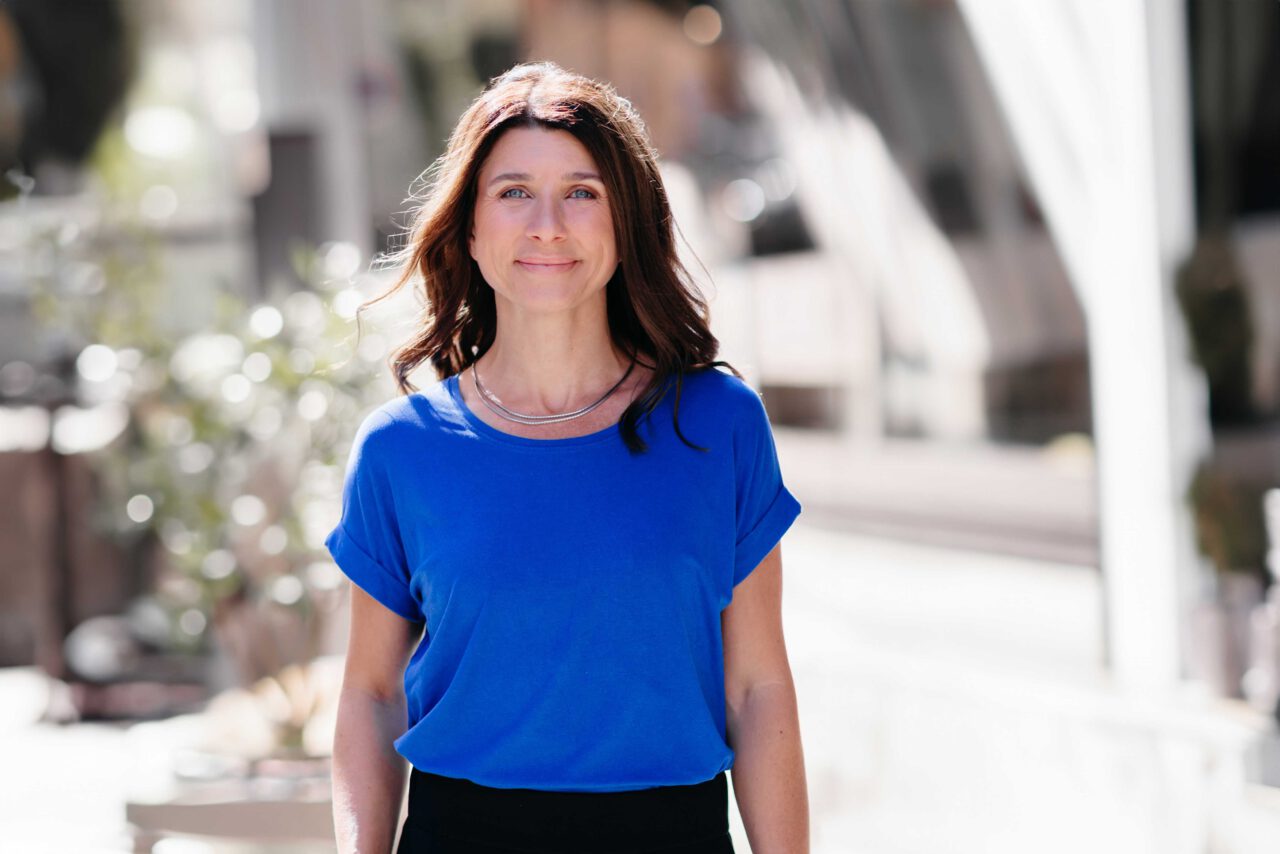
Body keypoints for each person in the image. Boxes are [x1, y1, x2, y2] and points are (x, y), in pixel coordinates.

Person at [327, 61, 808, 854]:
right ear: (470, 230)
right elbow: (373, 694)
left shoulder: (720, 426)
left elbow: (756, 690)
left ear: (628, 222)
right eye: (514, 192)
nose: (546, 223)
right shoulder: (400, 450)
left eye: (582, 192)